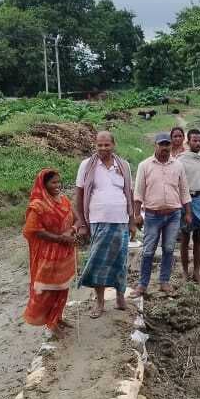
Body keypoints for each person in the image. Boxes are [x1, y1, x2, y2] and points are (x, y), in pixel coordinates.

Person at [73, 131, 136, 317]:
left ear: (113, 144)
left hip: (121, 220)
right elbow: (79, 195)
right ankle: (99, 302)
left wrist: (132, 222)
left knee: (120, 261)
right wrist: (82, 223)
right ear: (95, 145)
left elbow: (129, 195)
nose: (103, 148)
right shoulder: (87, 165)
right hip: (98, 220)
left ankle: (120, 297)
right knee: (98, 262)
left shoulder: (123, 165)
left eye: (106, 145)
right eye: (99, 145)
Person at [132, 133, 192, 296]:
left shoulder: (178, 165)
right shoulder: (145, 165)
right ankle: (142, 285)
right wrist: (137, 215)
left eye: (167, 144)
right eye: (161, 144)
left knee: (168, 248)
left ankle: (164, 281)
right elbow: (138, 193)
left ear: (171, 146)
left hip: (174, 214)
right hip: (152, 215)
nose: (165, 148)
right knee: (149, 250)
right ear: (155, 146)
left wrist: (188, 213)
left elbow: (184, 190)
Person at [21, 169, 78, 338]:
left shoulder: (64, 200)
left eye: (59, 182)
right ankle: (50, 324)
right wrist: (61, 238)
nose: (57, 185)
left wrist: (73, 231)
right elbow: (34, 230)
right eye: (53, 182)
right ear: (43, 184)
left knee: (63, 288)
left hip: (65, 252)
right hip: (48, 254)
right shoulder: (38, 205)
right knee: (47, 290)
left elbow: (77, 219)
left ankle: (57, 318)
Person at [178, 129, 200, 281]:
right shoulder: (181, 159)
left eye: (199, 140)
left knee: (197, 236)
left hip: (199, 198)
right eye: (194, 140)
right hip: (185, 199)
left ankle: (196, 271)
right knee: (185, 237)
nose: (197, 143)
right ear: (188, 142)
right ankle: (184, 271)